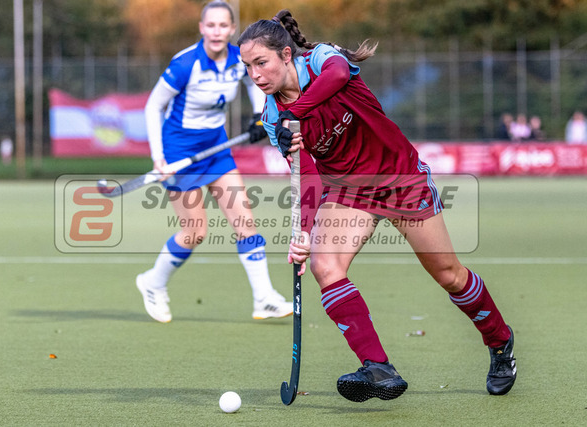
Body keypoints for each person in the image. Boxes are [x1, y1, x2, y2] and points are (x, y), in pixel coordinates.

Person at [238, 10, 516, 402]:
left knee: (449, 275)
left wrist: (296, 113)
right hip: (348, 191)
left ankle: (500, 341)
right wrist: (304, 232)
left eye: (260, 63)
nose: (255, 75)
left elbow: (338, 76)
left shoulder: (320, 60)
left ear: (286, 55)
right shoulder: (273, 117)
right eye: (248, 67)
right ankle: (378, 367)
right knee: (324, 265)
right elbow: (307, 175)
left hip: (399, 176)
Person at [137, 1, 293, 323]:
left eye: (223, 25)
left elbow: (253, 81)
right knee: (195, 232)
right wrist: (159, 158)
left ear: (232, 29)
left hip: (216, 148)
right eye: (211, 25)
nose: (217, 32)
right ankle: (153, 282)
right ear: (201, 28)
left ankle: (263, 298)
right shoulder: (185, 64)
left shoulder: (239, 58)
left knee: (244, 222)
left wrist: (259, 114)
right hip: (179, 153)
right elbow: (153, 106)